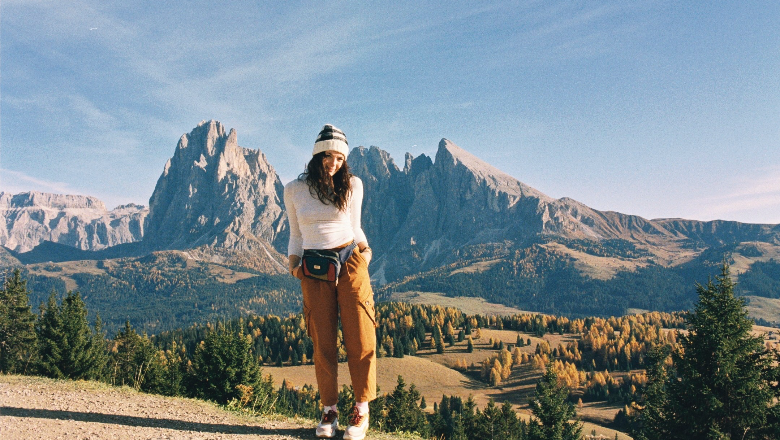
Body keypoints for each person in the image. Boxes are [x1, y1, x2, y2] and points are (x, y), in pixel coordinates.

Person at [284, 124, 376, 440]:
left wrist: (366, 253)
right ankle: (329, 410)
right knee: (322, 341)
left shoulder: (352, 185)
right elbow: (296, 235)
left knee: (361, 336)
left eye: (339, 158)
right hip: (313, 267)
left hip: (350, 260)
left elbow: (356, 226)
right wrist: (294, 266)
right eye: (329, 156)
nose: (334, 163)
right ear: (317, 155)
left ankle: (361, 411)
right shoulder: (294, 189)